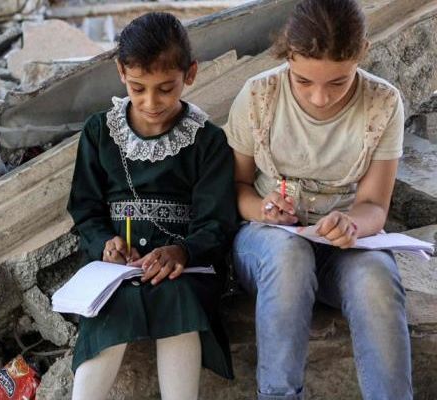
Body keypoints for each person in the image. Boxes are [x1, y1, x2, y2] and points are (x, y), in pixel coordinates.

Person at [223, 0, 412, 399]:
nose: (320, 98)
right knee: (290, 255)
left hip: (343, 246)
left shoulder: (383, 103)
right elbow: (235, 187)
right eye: (304, 81)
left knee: (377, 277)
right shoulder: (259, 95)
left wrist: (352, 224)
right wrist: (265, 210)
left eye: (338, 82)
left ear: (361, 53)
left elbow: (375, 206)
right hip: (267, 246)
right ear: (288, 56)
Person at [67, 12, 238, 400]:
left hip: (186, 269)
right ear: (121, 74)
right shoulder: (99, 132)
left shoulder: (208, 141)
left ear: (190, 74)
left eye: (166, 88)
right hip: (115, 268)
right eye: (138, 88)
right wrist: (105, 245)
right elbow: (85, 209)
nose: (151, 102)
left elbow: (217, 220)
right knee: (114, 299)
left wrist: (183, 251)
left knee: (176, 294)